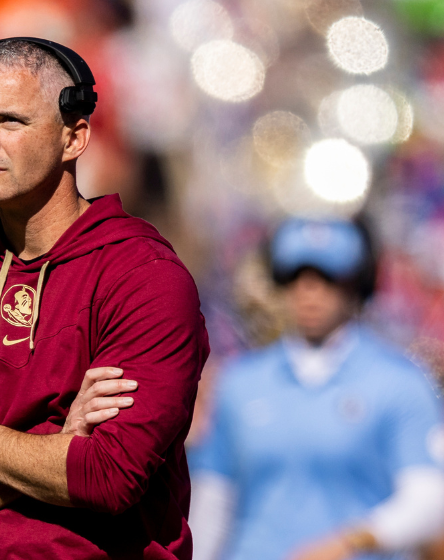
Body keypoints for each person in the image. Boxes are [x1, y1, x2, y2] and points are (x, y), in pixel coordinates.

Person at [0, 39, 209, 559]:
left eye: (10, 120)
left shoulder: (144, 276)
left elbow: (106, 477)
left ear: (73, 137)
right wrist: (58, 447)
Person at [190, 217, 444, 560]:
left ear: (355, 285)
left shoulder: (399, 382)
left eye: (328, 278)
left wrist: (352, 541)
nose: (310, 291)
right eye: (296, 277)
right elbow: (213, 500)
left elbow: (430, 497)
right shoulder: (240, 384)